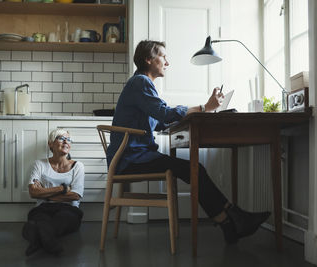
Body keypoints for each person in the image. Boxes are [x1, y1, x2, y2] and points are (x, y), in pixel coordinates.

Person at [107, 40, 270, 245]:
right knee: (194, 169)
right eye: (163, 56)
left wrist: (198, 110)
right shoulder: (141, 82)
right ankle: (232, 217)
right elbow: (165, 114)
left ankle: (229, 223)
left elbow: (158, 122)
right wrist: (204, 107)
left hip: (134, 156)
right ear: (149, 59)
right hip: (131, 158)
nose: (168, 62)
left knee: (193, 169)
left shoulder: (141, 85)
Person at [22, 129, 84, 256]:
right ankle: (50, 243)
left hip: (69, 209)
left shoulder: (77, 166)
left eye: (69, 139)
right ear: (50, 143)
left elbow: (75, 195)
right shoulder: (39, 164)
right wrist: (63, 189)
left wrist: (44, 192)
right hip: (42, 208)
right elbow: (33, 192)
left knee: (60, 220)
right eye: (61, 138)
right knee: (41, 219)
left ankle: (35, 237)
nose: (66, 141)